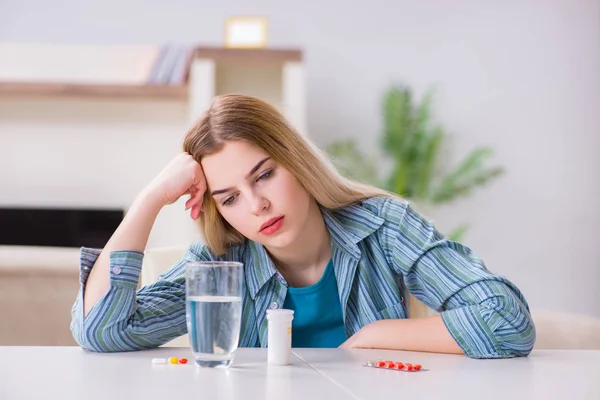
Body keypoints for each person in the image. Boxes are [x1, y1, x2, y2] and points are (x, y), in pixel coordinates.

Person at [71, 94, 535, 358]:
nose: (257, 205)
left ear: (296, 161)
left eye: (265, 174)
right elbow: (102, 331)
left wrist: (373, 337)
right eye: (229, 198)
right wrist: (149, 199)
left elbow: (507, 320)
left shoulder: (385, 229)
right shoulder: (220, 266)